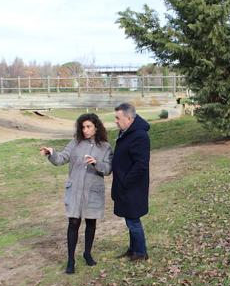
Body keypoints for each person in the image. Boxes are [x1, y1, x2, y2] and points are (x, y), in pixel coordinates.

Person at [40, 113, 113, 274]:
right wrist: (52, 153)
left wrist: (96, 163)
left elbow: (108, 169)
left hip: (93, 191)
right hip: (75, 190)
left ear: (96, 127)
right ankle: (71, 260)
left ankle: (87, 253)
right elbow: (61, 158)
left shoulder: (105, 147)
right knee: (73, 222)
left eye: (89, 127)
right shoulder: (75, 143)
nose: (85, 130)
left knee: (91, 223)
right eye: (83, 127)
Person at [112, 102, 151, 261]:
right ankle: (133, 249)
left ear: (129, 118)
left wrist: (126, 182)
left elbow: (141, 164)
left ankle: (141, 253)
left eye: (117, 118)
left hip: (133, 187)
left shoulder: (139, 135)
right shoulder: (127, 132)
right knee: (130, 219)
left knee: (133, 220)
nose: (116, 121)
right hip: (125, 185)